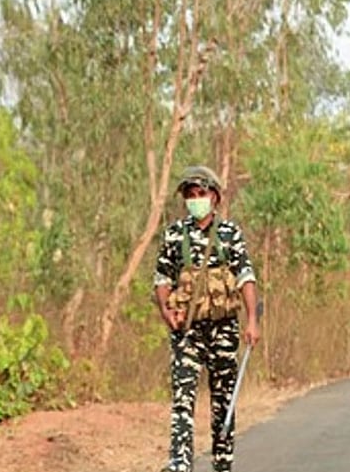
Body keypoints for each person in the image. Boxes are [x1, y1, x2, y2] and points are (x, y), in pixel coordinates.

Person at [153, 165, 260, 472]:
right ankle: (180, 464)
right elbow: (162, 278)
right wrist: (165, 311)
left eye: (200, 194)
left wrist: (252, 320)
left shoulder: (229, 234)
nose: (195, 200)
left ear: (214, 196)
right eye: (190, 195)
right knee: (183, 400)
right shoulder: (174, 235)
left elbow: (245, 277)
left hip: (223, 330)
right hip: (187, 331)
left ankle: (222, 464)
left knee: (223, 403)